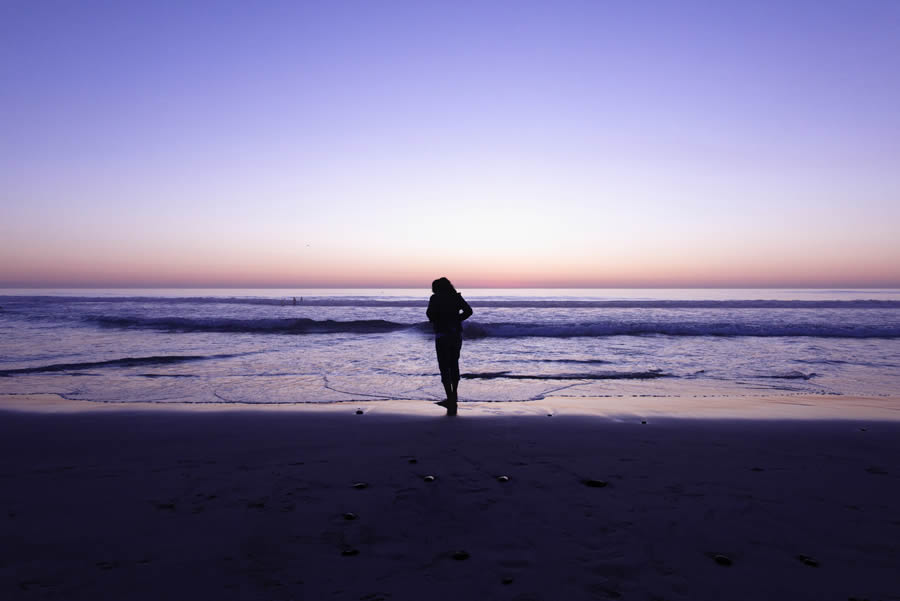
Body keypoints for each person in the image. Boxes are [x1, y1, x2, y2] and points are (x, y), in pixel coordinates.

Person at [426, 277, 473, 415]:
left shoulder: (435, 298)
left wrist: (436, 319)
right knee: (454, 364)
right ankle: (454, 395)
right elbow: (469, 311)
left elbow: (430, 314)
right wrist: (456, 319)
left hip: (442, 334)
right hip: (455, 334)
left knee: (444, 366)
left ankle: (449, 397)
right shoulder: (456, 297)